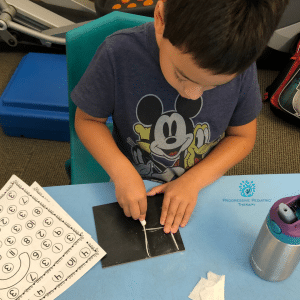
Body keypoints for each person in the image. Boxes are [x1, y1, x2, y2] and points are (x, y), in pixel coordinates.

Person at [71, 0, 289, 234]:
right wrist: (121, 171)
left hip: (199, 183)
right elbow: (87, 120)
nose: (192, 96)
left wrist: (193, 181)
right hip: (128, 177)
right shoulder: (117, 54)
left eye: (213, 86)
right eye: (182, 75)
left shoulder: (242, 67)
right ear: (160, 18)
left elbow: (242, 137)